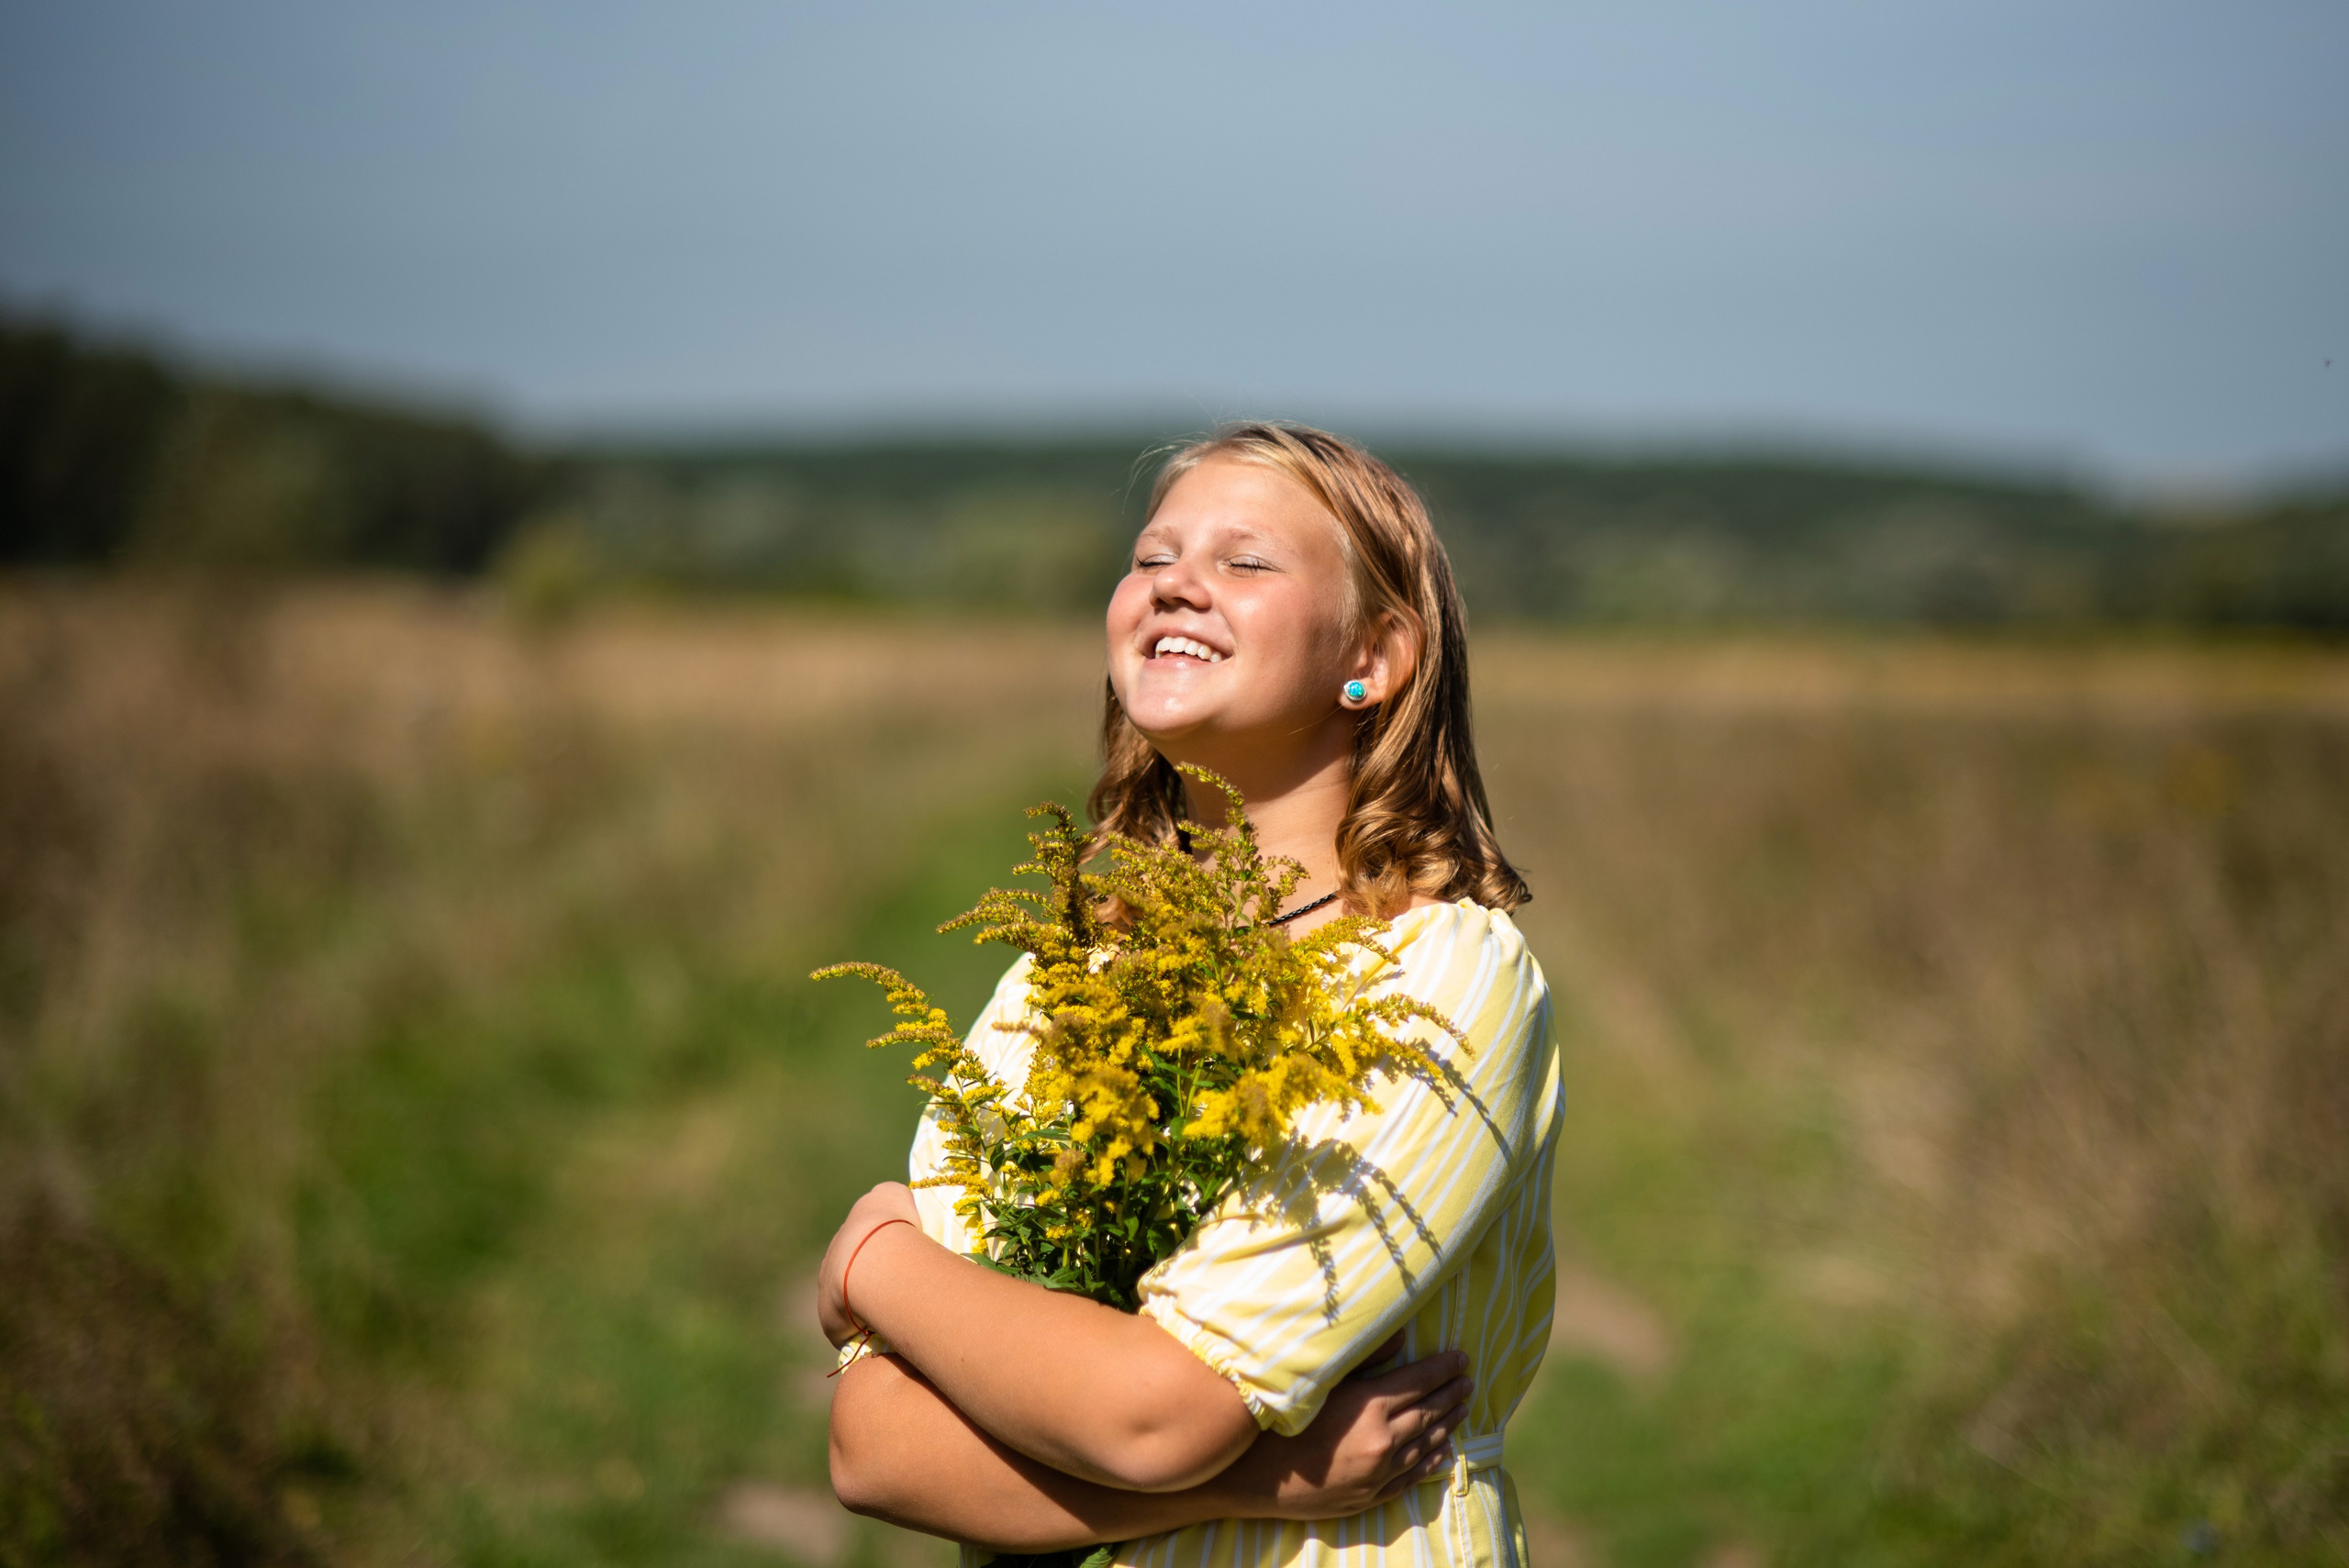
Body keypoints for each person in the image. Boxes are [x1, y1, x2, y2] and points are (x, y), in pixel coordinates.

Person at [817, 423, 1560, 1565]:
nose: (1174, 585)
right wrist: (1275, 1474)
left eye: (1243, 561)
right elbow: (873, 1444)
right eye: (1152, 556)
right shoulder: (1069, 974)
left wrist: (874, 1259)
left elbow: (1156, 1413)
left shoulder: (1438, 973)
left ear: (1377, 655)